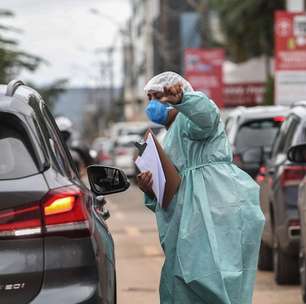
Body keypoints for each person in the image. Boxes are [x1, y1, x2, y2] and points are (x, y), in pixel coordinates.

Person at [136, 71, 265, 304]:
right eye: (150, 99)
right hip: (186, 219)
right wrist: (149, 188)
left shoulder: (189, 118)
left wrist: (184, 99)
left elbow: (206, 117)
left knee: (214, 279)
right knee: (184, 281)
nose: (153, 105)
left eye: (157, 97)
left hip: (215, 207)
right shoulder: (168, 136)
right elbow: (169, 186)